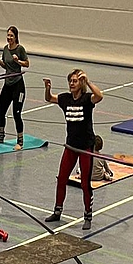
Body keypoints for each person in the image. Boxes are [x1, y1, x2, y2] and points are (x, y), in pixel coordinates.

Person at [43, 69, 105, 231]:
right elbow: (49, 98)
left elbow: (99, 96)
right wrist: (48, 88)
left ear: (81, 83)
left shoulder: (87, 99)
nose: (72, 83)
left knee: (85, 183)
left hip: (85, 148)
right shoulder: (65, 99)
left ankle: (88, 215)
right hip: (70, 146)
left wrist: (88, 81)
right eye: (70, 80)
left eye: (75, 81)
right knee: (62, 178)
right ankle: (57, 211)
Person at [0, 25, 30, 148]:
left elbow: (27, 64)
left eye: (11, 36)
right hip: (7, 84)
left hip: (18, 86)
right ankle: (1, 136)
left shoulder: (20, 49)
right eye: (8, 35)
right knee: (1, 111)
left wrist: (18, 61)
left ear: (16, 37)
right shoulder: (5, 49)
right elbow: (6, 66)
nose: (9, 38)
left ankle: (20, 141)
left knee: (16, 113)